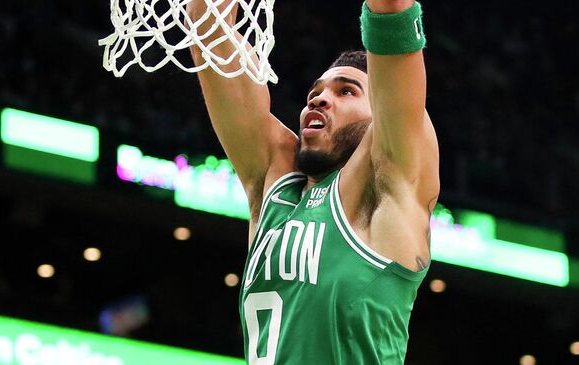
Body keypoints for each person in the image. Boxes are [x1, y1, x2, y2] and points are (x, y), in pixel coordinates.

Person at [187, 0, 439, 363]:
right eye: (315, 93)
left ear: (379, 114)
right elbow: (209, 28)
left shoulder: (390, 185)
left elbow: (393, 15)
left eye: (346, 91)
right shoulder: (274, 185)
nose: (320, 99)